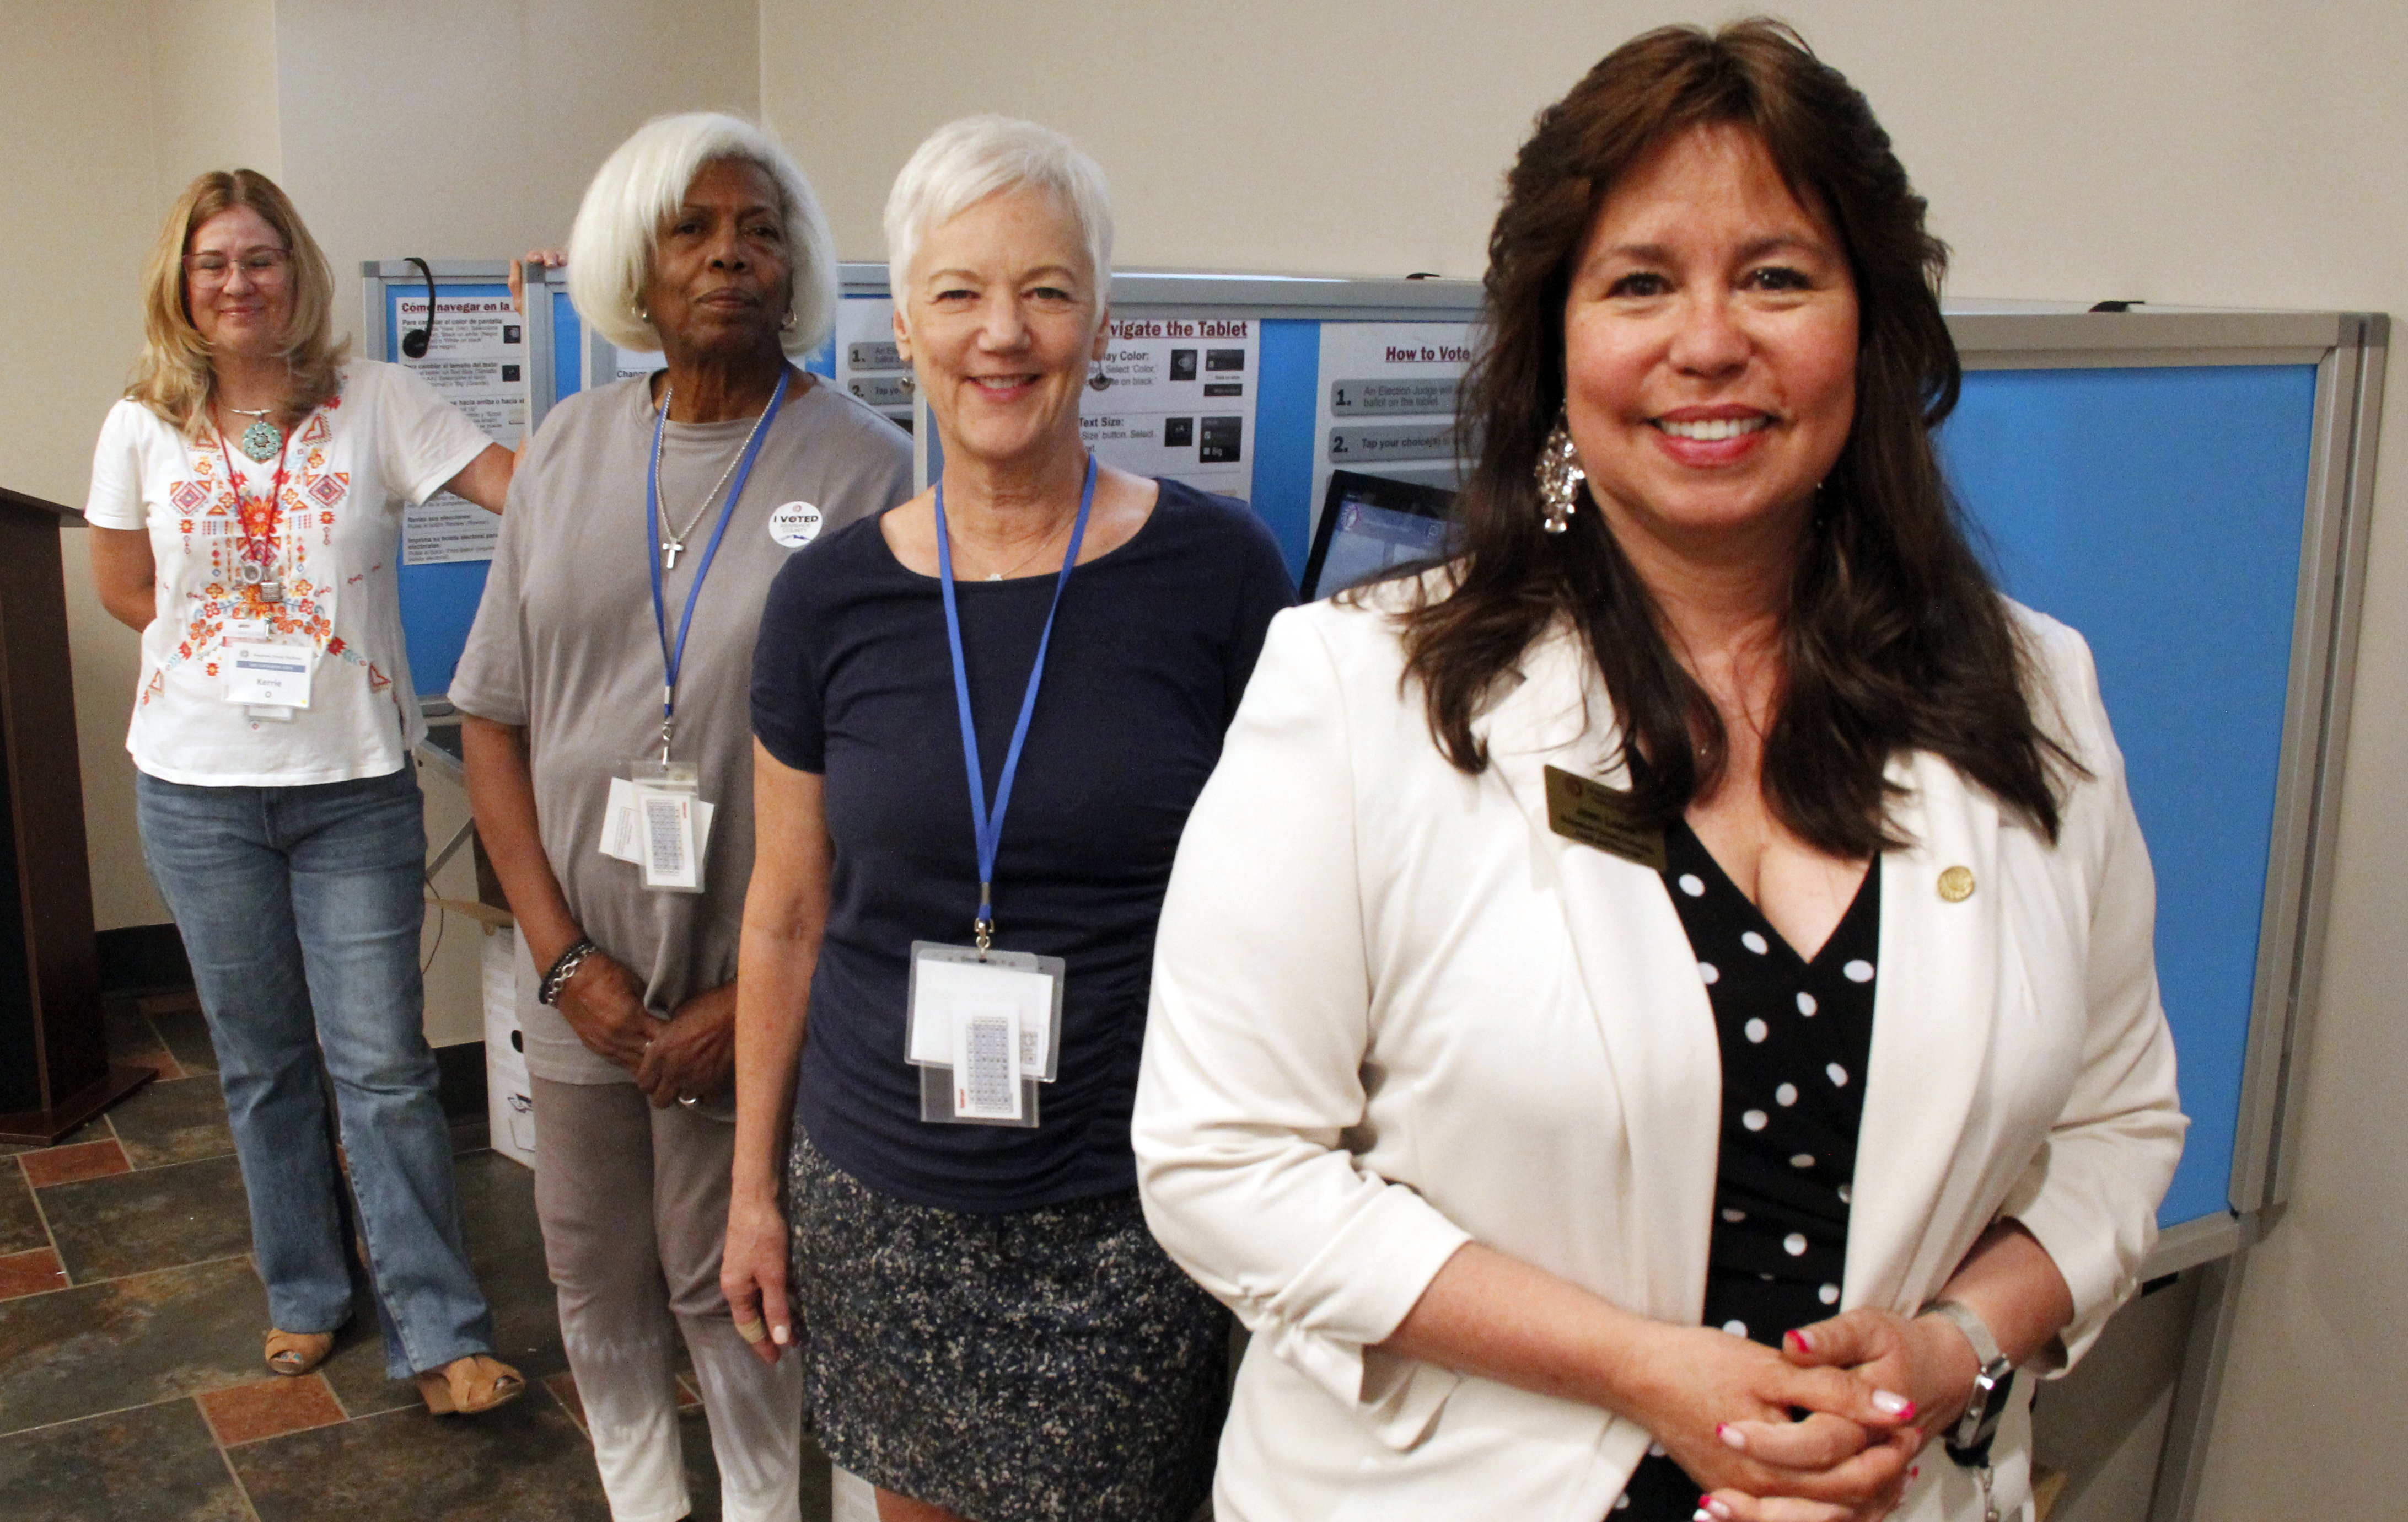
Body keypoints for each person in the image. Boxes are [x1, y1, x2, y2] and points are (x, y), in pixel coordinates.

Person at [1132, 22, 2186, 1522]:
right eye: (1640, 282)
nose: (1709, 341)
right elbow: (1219, 1161)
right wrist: (1645, 1372)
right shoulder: (1363, 690)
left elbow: (2119, 1129)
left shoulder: (2025, 694)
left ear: (1867, 329)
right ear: (1556, 345)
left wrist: (1946, 1356)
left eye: (1777, 275)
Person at [721, 116, 1295, 1522]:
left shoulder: (1218, 575)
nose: (1004, 333)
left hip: (1134, 1203)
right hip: (882, 1193)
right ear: (904, 325)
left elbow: (1286, 909)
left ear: (1100, 324)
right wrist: (751, 1193)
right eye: (961, 292)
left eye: (1045, 290)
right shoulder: (828, 602)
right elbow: (788, 910)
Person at [454, 112, 912, 1522]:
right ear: (632, 271)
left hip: (756, 986)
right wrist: (561, 964)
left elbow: (894, 781)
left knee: (736, 1281)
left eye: (760, 230)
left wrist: (754, 990)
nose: (729, 254)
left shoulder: (867, 472)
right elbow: (495, 721)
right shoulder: (571, 449)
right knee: (593, 1273)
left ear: (798, 269)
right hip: (582, 983)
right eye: (691, 228)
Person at [85, 169, 524, 1415]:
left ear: (298, 272)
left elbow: (520, 488)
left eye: (262, 258)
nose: (239, 282)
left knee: (382, 1066)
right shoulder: (142, 424)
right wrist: (225, 652)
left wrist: (606, 360)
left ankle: (439, 1330)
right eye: (214, 262)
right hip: (196, 788)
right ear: (182, 280)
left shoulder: (377, 400)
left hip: (352, 787)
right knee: (263, 1063)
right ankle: (306, 1290)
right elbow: (125, 586)